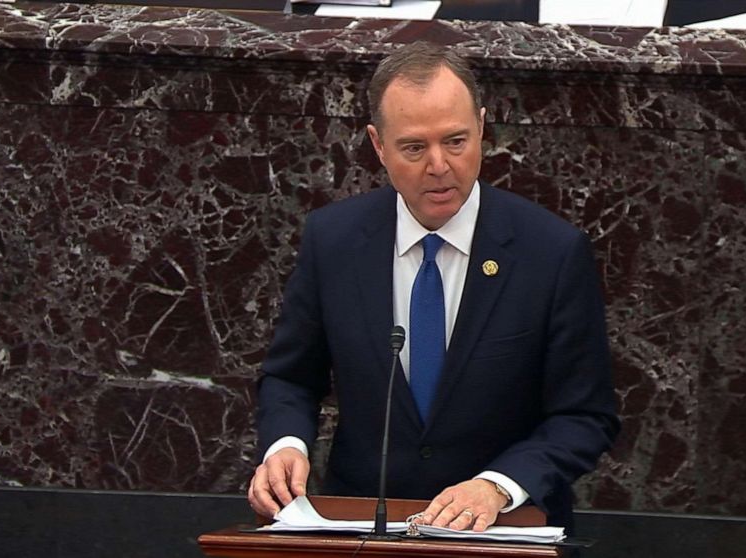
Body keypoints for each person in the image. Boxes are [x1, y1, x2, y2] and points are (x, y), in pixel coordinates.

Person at [247, 41, 619, 531]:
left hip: (501, 531)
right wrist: (285, 445)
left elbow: (585, 415)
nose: (439, 165)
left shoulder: (550, 252)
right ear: (378, 145)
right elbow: (291, 376)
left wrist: (497, 485)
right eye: (415, 147)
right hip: (361, 524)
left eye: (457, 141)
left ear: (483, 128)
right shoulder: (333, 240)